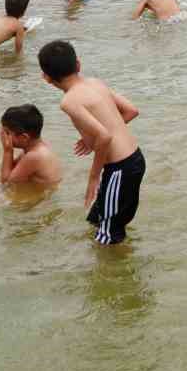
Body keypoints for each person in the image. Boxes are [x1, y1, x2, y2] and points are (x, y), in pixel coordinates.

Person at [38, 40, 144, 245]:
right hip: (134, 159)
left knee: (107, 237)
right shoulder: (95, 83)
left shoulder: (69, 101)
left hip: (119, 169)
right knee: (97, 220)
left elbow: (104, 136)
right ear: (78, 65)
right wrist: (95, 138)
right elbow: (131, 111)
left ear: (47, 78)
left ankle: (112, 274)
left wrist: (93, 177)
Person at [0, 103, 64, 190]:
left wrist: (7, 151)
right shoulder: (34, 149)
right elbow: (11, 169)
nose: (3, 135)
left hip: (43, 199)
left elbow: (6, 183)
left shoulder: (33, 157)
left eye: (7, 133)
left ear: (24, 137)